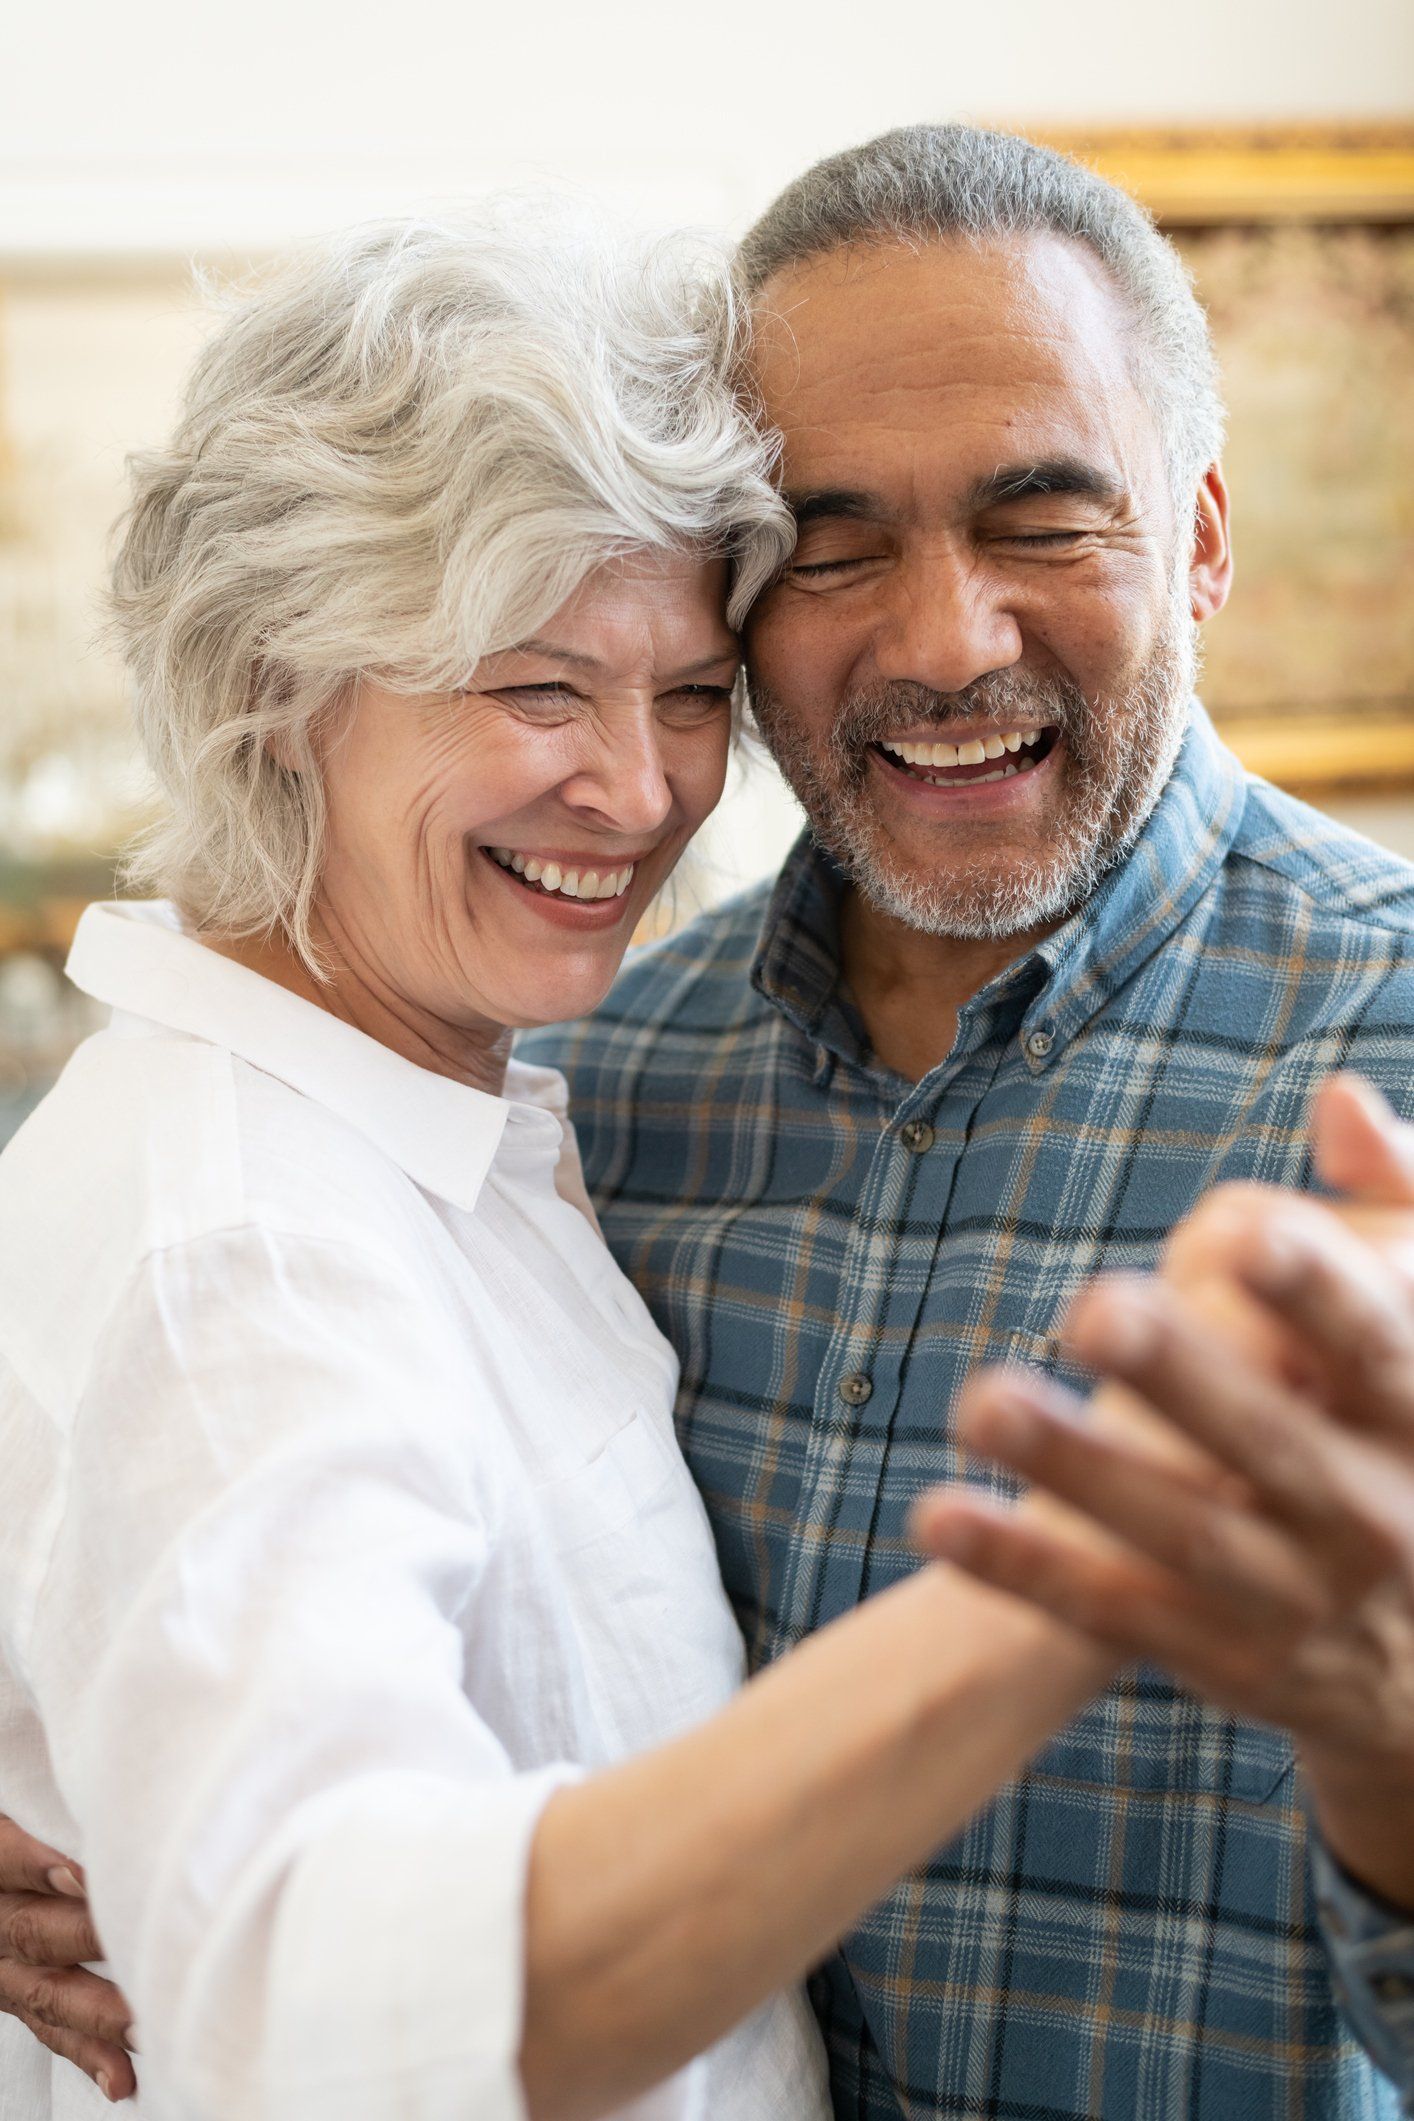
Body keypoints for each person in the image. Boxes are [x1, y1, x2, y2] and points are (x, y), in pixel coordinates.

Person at [0, 208, 1122, 2119]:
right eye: (535, 687)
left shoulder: (469, 1100)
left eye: (688, 693)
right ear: (278, 687)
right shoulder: (249, 1243)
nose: (639, 787)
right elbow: (323, 2014)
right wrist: (1065, 1594)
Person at [512, 126, 1414, 2114]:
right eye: (829, 545)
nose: (939, 643)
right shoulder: (593, 1088)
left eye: (1041, 520)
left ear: (1193, 536)